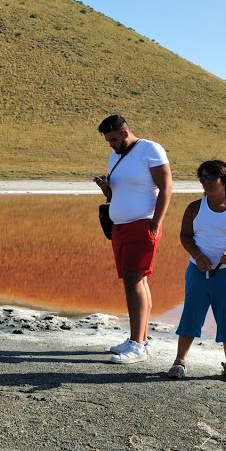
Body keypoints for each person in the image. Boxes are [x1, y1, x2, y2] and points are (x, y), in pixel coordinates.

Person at [94, 115, 172, 364]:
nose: (111, 144)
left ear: (125, 133)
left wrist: (156, 223)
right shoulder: (115, 156)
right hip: (120, 226)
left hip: (142, 224)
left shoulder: (150, 149)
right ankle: (140, 339)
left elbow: (167, 186)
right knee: (137, 281)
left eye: (114, 139)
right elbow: (119, 192)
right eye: (108, 141)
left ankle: (137, 345)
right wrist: (106, 188)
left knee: (133, 280)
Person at [167, 159, 226, 381]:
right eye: (202, 178)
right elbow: (185, 236)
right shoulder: (195, 207)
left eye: (210, 177)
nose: (205, 182)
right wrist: (197, 255)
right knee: (191, 315)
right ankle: (180, 362)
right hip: (197, 271)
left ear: (224, 179)